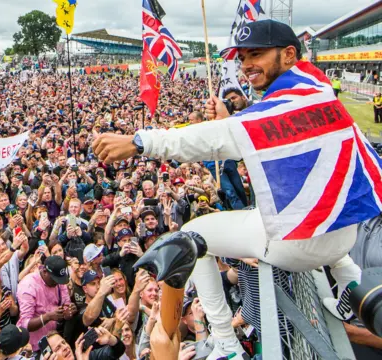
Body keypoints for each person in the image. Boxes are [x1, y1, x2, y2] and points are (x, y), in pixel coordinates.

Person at [93, 19, 366, 358]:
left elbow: (214, 139)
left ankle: (223, 337)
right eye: (243, 57)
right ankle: (353, 287)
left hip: (299, 246)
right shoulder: (319, 91)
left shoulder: (280, 106)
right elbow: (265, 132)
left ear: (290, 54)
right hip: (343, 237)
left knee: (191, 236)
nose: (247, 65)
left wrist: (139, 141)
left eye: (257, 54)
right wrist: (227, 118)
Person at [16, 256, 77, 351]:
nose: (57, 283)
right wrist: (48, 317)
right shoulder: (28, 285)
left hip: (54, 340)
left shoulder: (59, 281)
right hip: (33, 346)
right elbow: (25, 324)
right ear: (44, 272)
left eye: (59, 280)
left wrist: (69, 311)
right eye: (54, 280)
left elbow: (66, 306)